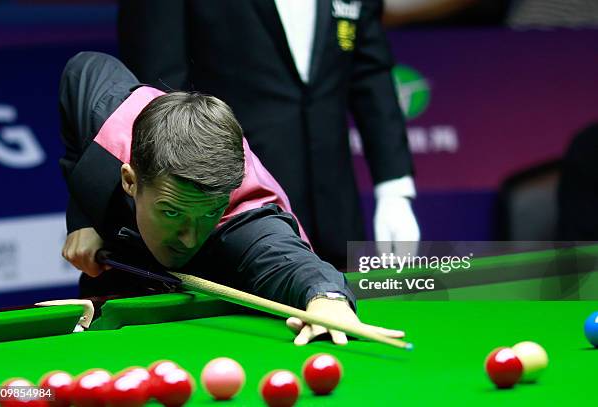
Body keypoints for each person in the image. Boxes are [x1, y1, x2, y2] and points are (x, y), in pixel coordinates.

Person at [58, 51, 404, 345]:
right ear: (130, 180)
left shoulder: (246, 223)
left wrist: (327, 299)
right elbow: (83, 67)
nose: (189, 237)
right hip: (118, 278)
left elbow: (290, 261)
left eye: (208, 213)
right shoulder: (107, 120)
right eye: (172, 212)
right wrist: (85, 217)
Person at [118, 0, 420, 268]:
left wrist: (394, 187)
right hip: (229, 221)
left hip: (337, 216)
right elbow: (157, 90)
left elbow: (371, 73)